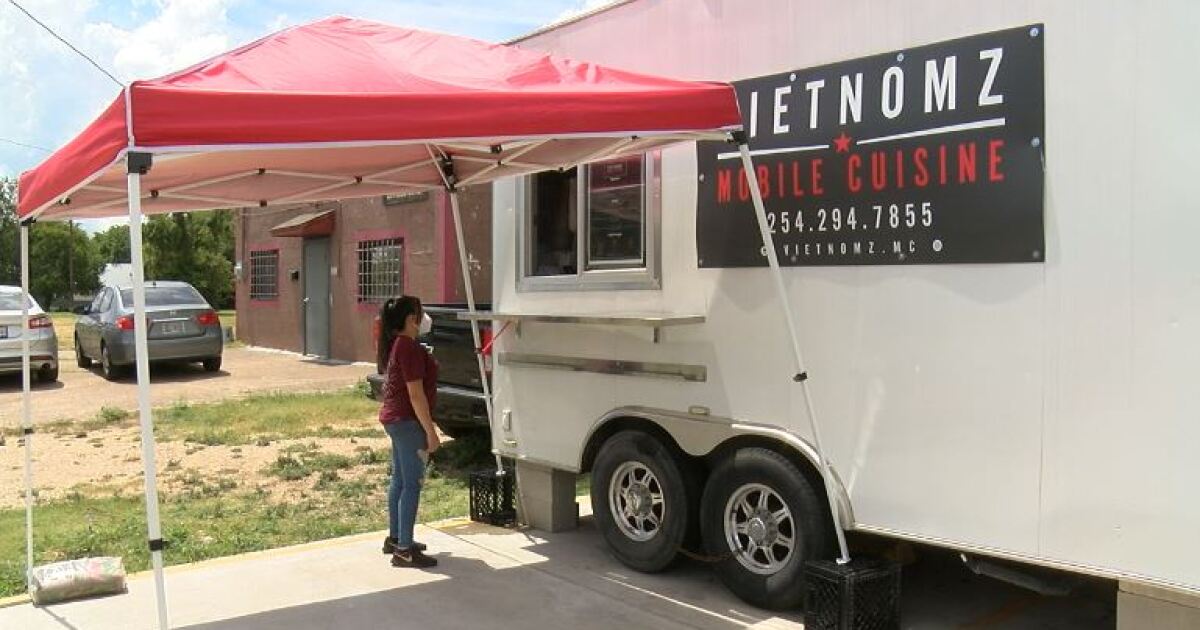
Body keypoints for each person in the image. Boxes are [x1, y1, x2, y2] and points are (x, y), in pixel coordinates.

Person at [377, 296, 441, 568]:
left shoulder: (399, 345)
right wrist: (431, 431)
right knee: (411, 484)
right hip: (406, 422)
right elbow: (416, 395)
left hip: (394, 420)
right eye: (419, 313)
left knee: (400, 481)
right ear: (410, 319)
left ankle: (397, 538)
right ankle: (404, 549)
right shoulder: (409, 349)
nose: (423, 318)